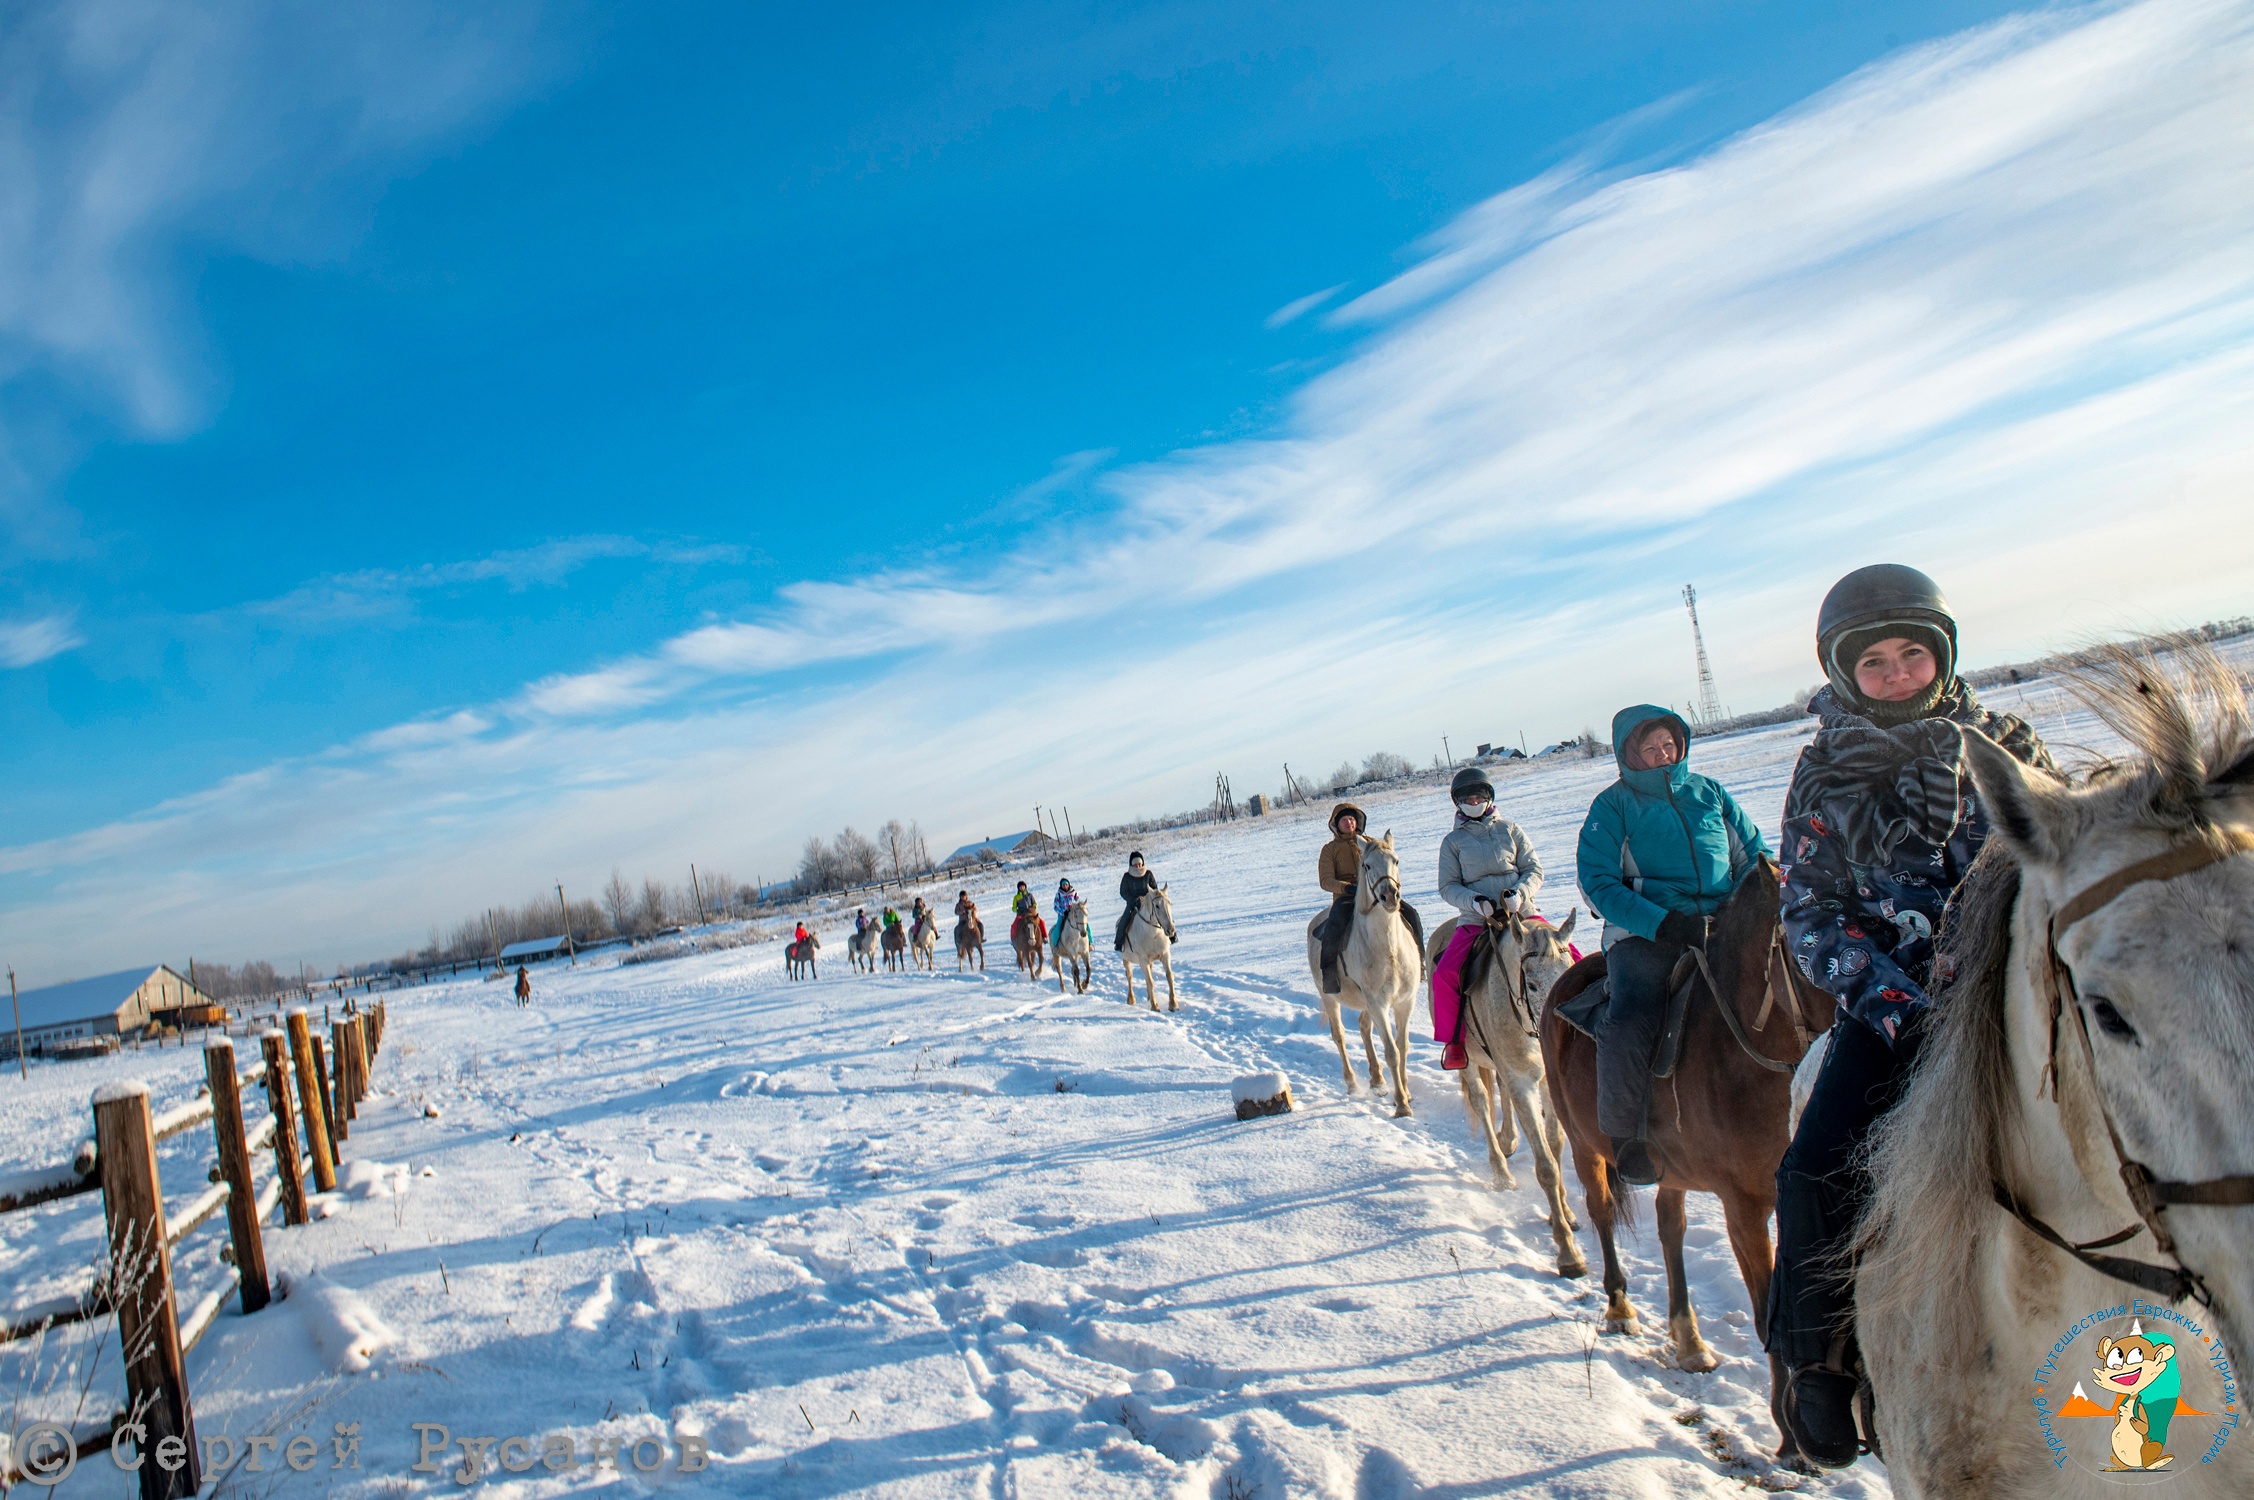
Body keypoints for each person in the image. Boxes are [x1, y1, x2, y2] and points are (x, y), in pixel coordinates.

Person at [1765, 564, 2053, 1468]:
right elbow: (1809, 912)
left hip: (2022, 987)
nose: (1897, 675)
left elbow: (2065, 857)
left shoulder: (2003, 745)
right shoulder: (1820, 778)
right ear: (1848, 673)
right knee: (1813, 1165)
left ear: (1944, 656)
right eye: (1877, 662)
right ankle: (1816, 1364)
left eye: (1913, 656)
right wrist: (1892, 998)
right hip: (1899, 1006)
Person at [1577, 704, 1771, 1187]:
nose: (1663, 754)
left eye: (1669, 744)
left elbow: (1754, 853)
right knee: (1633, 1014)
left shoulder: (1709, 792)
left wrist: (1758, 900)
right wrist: (1664, 924)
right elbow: (1598, 884)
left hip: (1725, 922)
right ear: (1630, 754)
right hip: (1648, 934)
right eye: (1650, 748)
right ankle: (1626, 1138)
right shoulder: (1613, 806)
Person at [1429, 768, 1542, 1066]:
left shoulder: (1510, 829)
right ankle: (1454, 1041)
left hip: (1521, 913)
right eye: (1467, 797)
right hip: (1477, 919)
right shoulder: (1452, 842)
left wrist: (1520, 893)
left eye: (1478, 795)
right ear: (1458, 803)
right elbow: (1447, 886)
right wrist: (1474, 902)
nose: (1473, 801)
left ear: (1489, 797)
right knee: (1445, 974)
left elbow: (1533, 869)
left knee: (1567, 954)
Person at [1114, 851, 1177, 949]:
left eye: (1139, 864)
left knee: (1164, 913)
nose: (1138, 866)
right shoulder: (1127, 876)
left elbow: (1154, 888)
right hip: (1133, 904)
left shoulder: (1148, 874)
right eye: (1135, 864)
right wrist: (1133, 900)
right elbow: (1123, 892)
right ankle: (1119, 942)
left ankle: (1172, 934)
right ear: (1131, 864)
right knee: (1124, 921)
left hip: (1149, 903)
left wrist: (1149, 897)